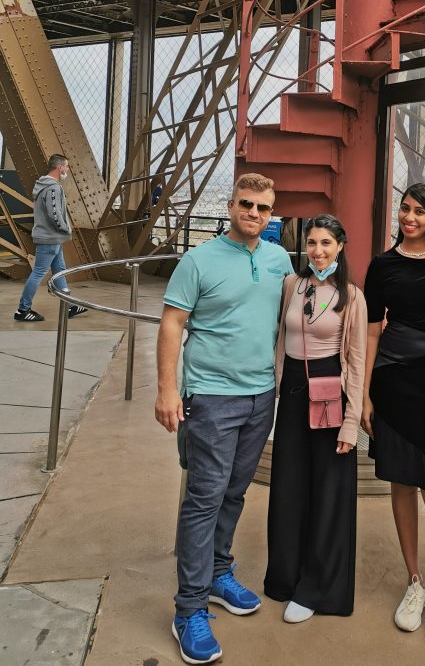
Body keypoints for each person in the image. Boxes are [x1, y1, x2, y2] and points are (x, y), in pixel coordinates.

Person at [155, 172, 292, 666]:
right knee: (205, 496)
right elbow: (173, 323)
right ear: (231, 206)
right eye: (245, 204)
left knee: (234, 491)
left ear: (271, 213)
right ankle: (189, 607)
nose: (253, 213)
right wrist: (168, 390)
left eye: (262, 207)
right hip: (212, 396)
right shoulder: (198, 260)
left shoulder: (278, 260)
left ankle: (217, 571)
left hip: (260, 395)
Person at [362, 183, 425, 641]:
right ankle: (415, 581)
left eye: (419, 211)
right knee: (401, 484)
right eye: (404, 209)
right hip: (392, 379)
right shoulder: (382, 266)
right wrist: (364, 394)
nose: (409, 217)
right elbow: (370, 332)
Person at [264, 214, 367, 622]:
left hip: (329, 394)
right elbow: (279, 337)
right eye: (312, 243)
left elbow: (356, 362)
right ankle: (285, 576)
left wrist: (351, 421)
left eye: (326, 243)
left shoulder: (352, 296)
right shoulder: (293, 285)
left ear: (340, 246)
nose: (318, 251)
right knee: (289, 486)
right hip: (292, 390)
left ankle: (318, 587)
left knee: (328, 491)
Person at [15, 154, 87, 322]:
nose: (67, 169)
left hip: (52, 237)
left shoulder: (44, 185)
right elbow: (54, 214)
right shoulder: (53, 187)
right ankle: (22, 310)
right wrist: (66, 228)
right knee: (38, 272)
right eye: (66, 166)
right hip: (50, 237)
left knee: (59, 270)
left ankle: (69, 305)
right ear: (59, 167)